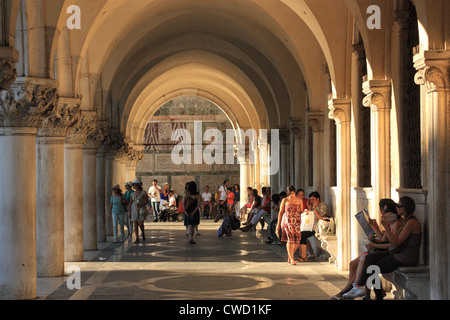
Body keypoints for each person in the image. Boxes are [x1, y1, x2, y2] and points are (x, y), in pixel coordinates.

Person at [343, 196, 422, 300]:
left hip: (405, 257)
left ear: (406, 208)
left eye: (399, 206)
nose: (397, 208)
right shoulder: (406, 221)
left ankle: (363, 289)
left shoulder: (411, 222)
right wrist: (380, 228)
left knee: (371, 267)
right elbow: (391, 239)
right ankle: (360, 287)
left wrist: (386, 227)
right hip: (398, 253)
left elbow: (395, 242)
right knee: (369, 259)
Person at [329, 199, 399, 300]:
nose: (382, 213)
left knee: (364, 265)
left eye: (384, 211)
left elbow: (391, 243)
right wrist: (374, 227)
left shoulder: (395, 223)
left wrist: (375, 244)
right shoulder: (390, 223)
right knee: (355, 264)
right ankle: (354, 289)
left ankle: (349, 291)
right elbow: (383, 239)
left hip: (387, 253)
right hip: (380, 250)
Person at [276, 186, 303, 265]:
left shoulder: (299, 200)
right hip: (287, 222)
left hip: (297, 222)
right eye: (290, 194)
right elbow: (281, 212)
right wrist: (278, 225)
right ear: (288, 194)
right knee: (290, 240)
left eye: (293, 193)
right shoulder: (285, 200)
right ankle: (291, 258)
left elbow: (301, 211)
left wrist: (306, 210)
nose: (292, 195)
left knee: (297, 241)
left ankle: (290, 255)